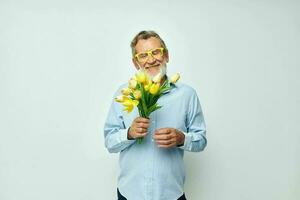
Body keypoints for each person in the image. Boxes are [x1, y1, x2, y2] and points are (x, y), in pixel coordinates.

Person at [104, 30, 207, 200]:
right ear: (136, 63)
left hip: (171, 194)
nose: (151, 60)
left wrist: (182, 138)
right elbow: (109, 142)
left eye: (156, 52)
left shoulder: (187, 95)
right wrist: (129, 134)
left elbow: (201, 141)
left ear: (166, 55)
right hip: (129, 193)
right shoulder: (124, 93)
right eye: (143, 55)